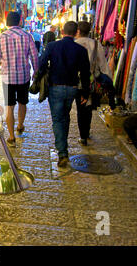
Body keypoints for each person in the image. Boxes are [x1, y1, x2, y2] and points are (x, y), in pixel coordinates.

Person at [39, 21, 90, 167]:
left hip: (55, 87)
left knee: (57, 119)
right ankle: (63, 146)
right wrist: (85, 93)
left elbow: (42, 64)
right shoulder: (81, 50)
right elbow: (85, 73)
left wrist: (40, 76)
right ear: (76, 32)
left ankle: (62, 153)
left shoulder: (52, 46)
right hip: (72, 88)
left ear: (62, 31)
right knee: (65, 116)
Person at [0, 11, 39, 147]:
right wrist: (35, 72)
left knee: (9, 107)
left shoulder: (1, 37)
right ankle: (20, 125)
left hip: (7, 78)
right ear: (19, 21)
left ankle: (12, 137)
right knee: (23, 103)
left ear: (7, 22)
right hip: (23, 76)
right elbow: (34, 56)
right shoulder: (27, 36)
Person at [75, 21, 115, 146]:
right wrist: (108, 81)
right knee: (88, 106)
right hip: (92, 81)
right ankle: (86, 132)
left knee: (80, 107)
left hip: (77, 81)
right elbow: (103, 65)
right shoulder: (96, 45)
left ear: (78, 31)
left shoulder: (74, 44)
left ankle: (83, 136)